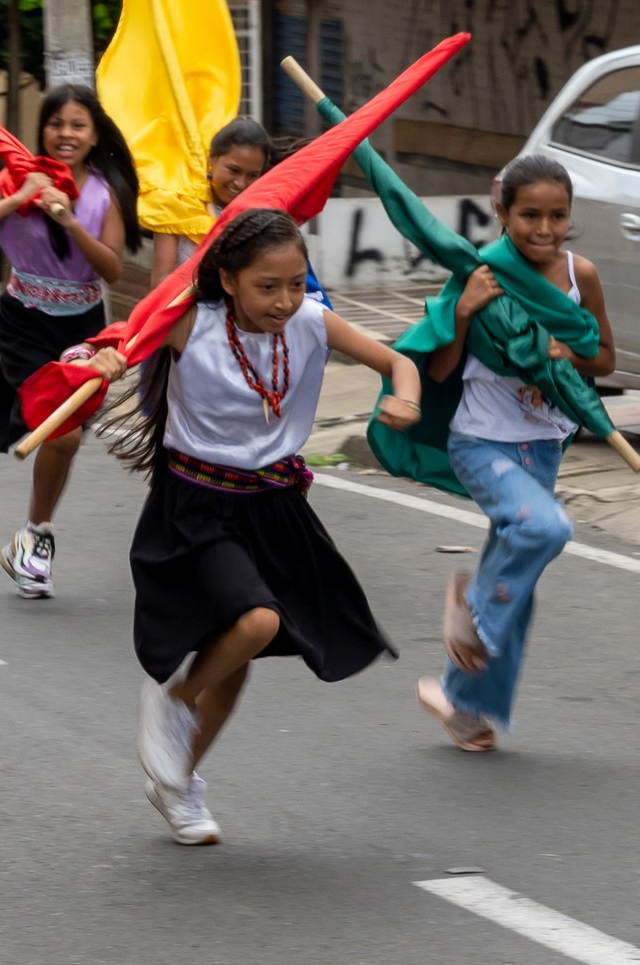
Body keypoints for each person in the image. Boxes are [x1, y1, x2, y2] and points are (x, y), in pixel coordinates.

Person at [75, 207, 420, 845]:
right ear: (229, 280)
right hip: (196, 505)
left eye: (295, 283)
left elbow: (399, 364)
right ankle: (174, 702)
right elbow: (116, 339)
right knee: (258, 622)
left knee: (237, 659)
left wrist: (405, 398)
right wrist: (103, 361)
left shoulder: (312, 322)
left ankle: (177, 783)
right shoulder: (191, 324)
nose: (285, 300)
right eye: (267, 286)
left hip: (275, 507)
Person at [416, 155, 615, 751]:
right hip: (481, 440)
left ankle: (464, 707)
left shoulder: (581, 275)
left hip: (544, 446)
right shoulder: (480, 271)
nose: (544, 229)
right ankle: (473, 619)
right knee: (545, 527)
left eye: (558, 216)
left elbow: (605, 359)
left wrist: (564, 353)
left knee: (517, 590)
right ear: (501, 212)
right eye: (529, 215)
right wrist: (464, 310)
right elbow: (439, 369)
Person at [0, 85, 140, 598]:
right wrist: (17, 197)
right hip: (24, 323)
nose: (65, 134)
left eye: (78, 125)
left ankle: (32, 536)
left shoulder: (106, 192)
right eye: (56, 124)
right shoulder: (17, 175)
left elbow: (113, 269)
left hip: (84, 328)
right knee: (63, 433)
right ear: (42, 130)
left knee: (64, 436)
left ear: (94, 136)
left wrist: (67, 220)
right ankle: (37, 539)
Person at [147, 117, 331, 307]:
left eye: (252, 175)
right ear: (212, 159)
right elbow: (160, 285)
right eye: (233, 170)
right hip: (191, 316)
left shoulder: (263, 215)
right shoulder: (175, 203)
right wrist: (210, 280)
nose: (240, 183)